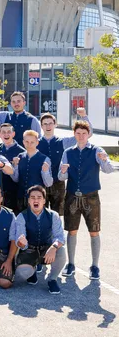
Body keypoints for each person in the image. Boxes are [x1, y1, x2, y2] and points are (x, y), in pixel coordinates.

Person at [58, 120, 114, 280]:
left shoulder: (97, 150)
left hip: (91, 197)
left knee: (94, 231)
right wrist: (62, 171)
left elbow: (109, 170)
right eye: (78, 133)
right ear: (74, 134)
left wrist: (104, 159)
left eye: (84, 133)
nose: (81, 136)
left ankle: (95, 266)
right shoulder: (68, 151)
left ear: (88, 134)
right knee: (71, 230)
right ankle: (71, 264)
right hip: (72, 197)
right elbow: (61, 177)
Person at [15, 185, 66, 295]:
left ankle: (52, 279)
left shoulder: (53, 215)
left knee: (61, 251)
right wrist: (21, 242)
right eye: (32, 197)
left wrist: (54, 247)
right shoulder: (21, 216)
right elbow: (20, 240)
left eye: (39, 197)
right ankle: (32, 271)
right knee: (21, 273)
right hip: (30, 250)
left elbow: (60, 237)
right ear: (28, 200)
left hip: (46, 249)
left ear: (44, 200)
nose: (36, 200)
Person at [38, 109, 90, 216]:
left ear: (55, 124)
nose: (48, 126)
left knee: (57, 215)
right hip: (40, 183)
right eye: (45, 124)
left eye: (50, 123)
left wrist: (84, 117)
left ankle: (56, 233)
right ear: (41, 126)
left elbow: (86, 135)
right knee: (40, 214)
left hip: (58, 183)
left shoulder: (63, 142)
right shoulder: (36, 142)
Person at [11, 130, 53, 213]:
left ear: (37, 142)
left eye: (32, 142)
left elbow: (49, 183)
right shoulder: (19, 157)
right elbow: (16, 179)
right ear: (23, 142)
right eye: (27, 141)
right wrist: (15, 166)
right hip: (21, 199)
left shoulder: (45, 159)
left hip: (37, 201)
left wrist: (45, 172)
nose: (29, 144)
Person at [0, 123, 26, 211]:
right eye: (3, 132)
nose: (6, 134)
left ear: (13, 134)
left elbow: (22, 176)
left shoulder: (21, 152)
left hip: (14, 192)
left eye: (9, 132)